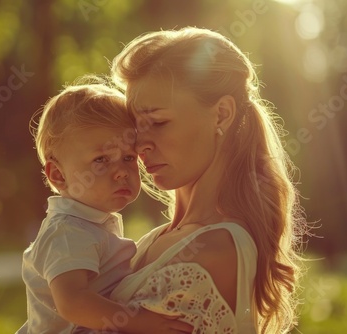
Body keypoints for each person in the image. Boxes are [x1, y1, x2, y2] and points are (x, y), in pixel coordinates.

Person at [102, 27, 307, 334]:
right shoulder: (157, 240)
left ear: (221, 115)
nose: (139, 144)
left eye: (158, 122)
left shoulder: (212, 250)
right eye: (136, 126)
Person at [16, 78, 194, 334]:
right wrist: (139, 322)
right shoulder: (67, 232)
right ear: (58, 175)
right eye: (101, 159)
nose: (121, 171)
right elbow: (73, 303)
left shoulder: (90, 225)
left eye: (128, 157)